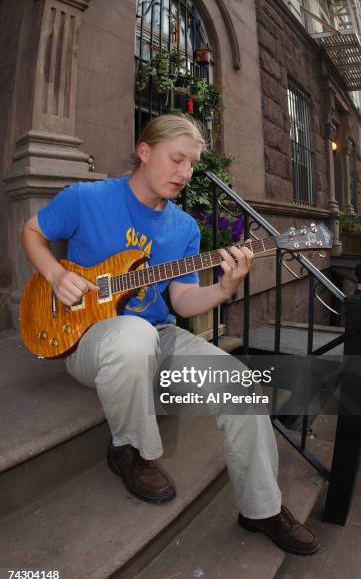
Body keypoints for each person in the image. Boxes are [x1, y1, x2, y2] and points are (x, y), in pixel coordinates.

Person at [20, 114, 319, 556]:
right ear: (145, 151)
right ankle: (130, 451)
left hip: (158, 336)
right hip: (86, 339)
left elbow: (181, 301)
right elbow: (32, 232)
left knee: (242, 389)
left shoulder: (184, 228)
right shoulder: (86, 198)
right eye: (176, 159)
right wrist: (55, 273)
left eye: (192, 165)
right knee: (131, 335)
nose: (185, 173)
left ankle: (262, 508)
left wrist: (223, 288)